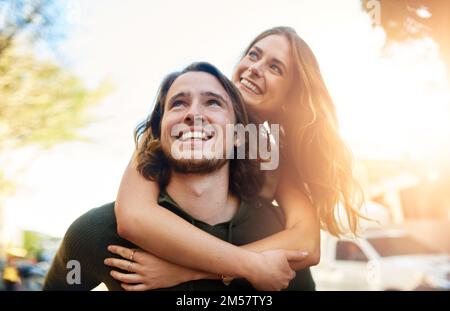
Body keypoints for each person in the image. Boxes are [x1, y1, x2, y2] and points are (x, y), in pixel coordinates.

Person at [110, 26, 364, 291]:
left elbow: (306, 245)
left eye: (275, 68)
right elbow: (134, 216)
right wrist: (247, 265)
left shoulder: (273, 155)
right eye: (253, 55)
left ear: (290, 97)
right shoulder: (181, 126)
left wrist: (184, 272)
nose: (255, 68)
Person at [43, 62, 315, 291]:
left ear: (238, 137)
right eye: (178, 104)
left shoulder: (274, 231)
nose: (194, 114)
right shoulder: (98, 232)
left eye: (213, 103)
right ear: (158, 134)